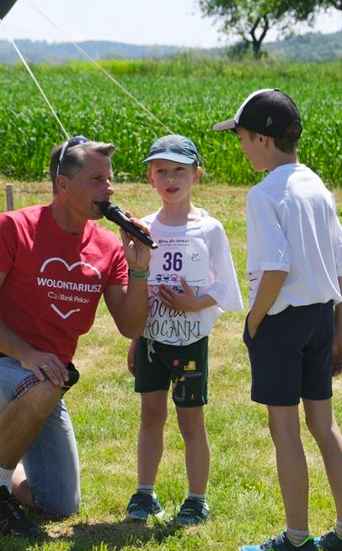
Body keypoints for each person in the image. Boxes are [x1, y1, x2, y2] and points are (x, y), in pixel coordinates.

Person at [0, 137, 152, 537]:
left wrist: (140, 270)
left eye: (110, 180)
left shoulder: (109, 246)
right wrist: (26, 353)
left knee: (58, 504)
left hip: (45, 380)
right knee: (42, 385)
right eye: (97, 179)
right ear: (63, 185)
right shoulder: (14, 227)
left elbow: (131, 327)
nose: (109, 189)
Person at [212, 89, 342, 551]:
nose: (240, 147)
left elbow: (275, 270)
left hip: (282, 321)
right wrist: (340, 335)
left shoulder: (263, 195)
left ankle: (298, 542)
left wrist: (253, 322)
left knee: (285, 430)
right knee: (324, 424)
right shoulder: (317, 186)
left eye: (241, 137)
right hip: (323, 315)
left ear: (262, 138)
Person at [123, 135, 242, 526]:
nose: (171, 179)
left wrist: (194, 303)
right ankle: (144, 494)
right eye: (162, 171)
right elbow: (136, 285)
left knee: (191, 421)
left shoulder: (209, 229)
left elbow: (225, 287)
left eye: (180, 170)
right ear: (150, 177)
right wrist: (137, 337)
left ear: (197, 175)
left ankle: (196, 499)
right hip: (152, 340)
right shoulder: (143, 228)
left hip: (190, 340)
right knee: (150, 415)